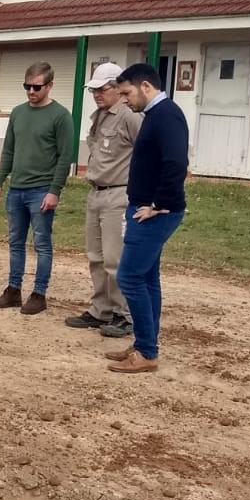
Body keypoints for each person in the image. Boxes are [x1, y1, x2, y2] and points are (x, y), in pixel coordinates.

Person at [104, 63, 188, 373]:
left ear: (146, 87)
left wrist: (159, 203)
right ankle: (144, 343)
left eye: (127, 93)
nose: (124, 99)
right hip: (145, 209)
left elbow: (177, 162)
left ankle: (147, 352)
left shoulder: (166, 115)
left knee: (129, 277)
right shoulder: (156, 115)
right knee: (148, 277)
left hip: (152, 214)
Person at [0, 62, 75, 315]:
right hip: (16, 190)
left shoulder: (61, 116)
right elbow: (8, 150)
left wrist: (54, 190)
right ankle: (13, 290)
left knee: (42, 243)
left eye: (37, 87)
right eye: (27, 86)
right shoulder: (17, 113)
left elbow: (64, 156)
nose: (31, 91)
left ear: (49, 86)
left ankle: (39, 294)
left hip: (41, 190)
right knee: (15, 242)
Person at [64, 62, 141, 339]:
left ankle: (124, 314)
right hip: (96, 192)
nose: (97, 94)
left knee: (114, 258)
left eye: (102, 89)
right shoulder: (100, 116)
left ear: (118, 89)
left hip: (119, 193)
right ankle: (101, 309)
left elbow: (149, 151)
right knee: (95, 256)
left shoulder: (130, 117)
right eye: (93, 90)